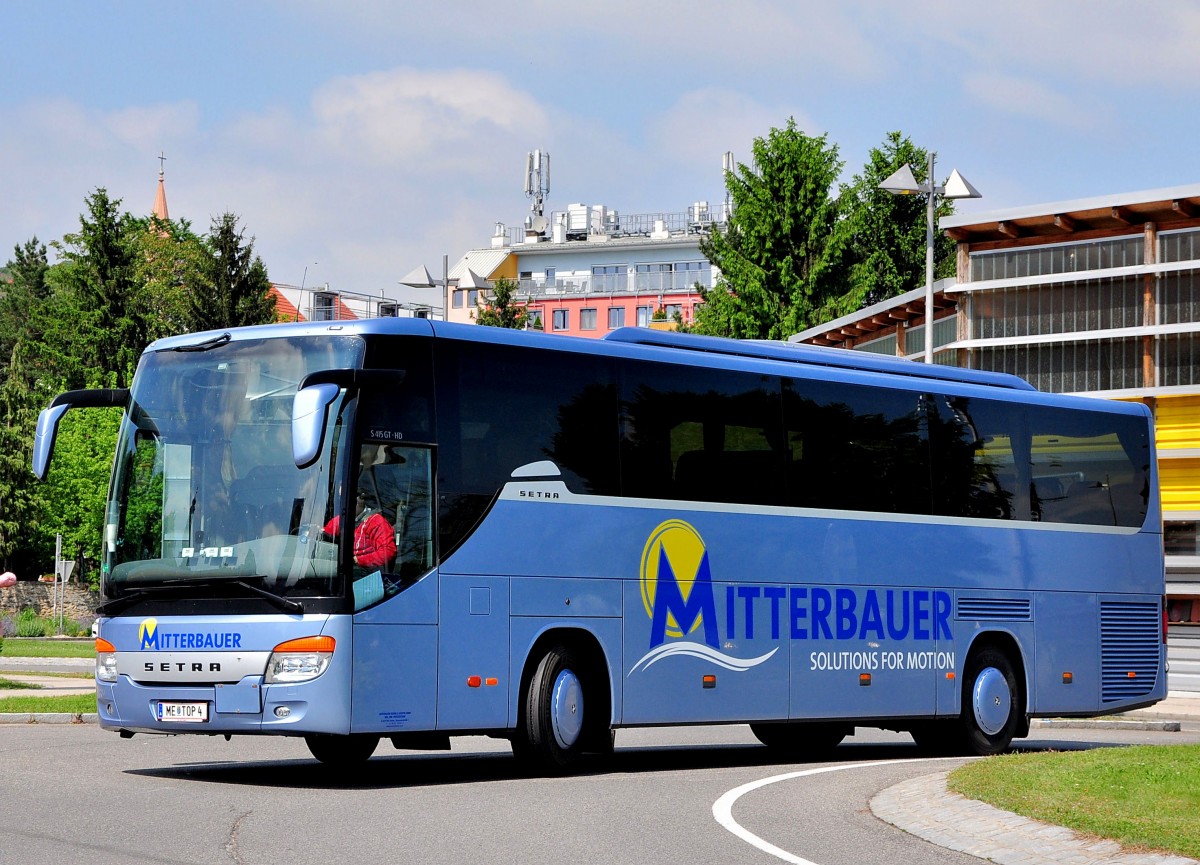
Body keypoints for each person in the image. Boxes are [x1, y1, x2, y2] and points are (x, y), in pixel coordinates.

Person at [323, 490, 396, 570]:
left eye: (346, 499)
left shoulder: (376, 521)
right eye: (340, 499)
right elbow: (325, 535)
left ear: (360, 500)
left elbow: (388, 551)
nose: (343, 504)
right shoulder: (340, 520)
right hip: (341, 570)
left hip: (365, 573)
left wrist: (358, 560)